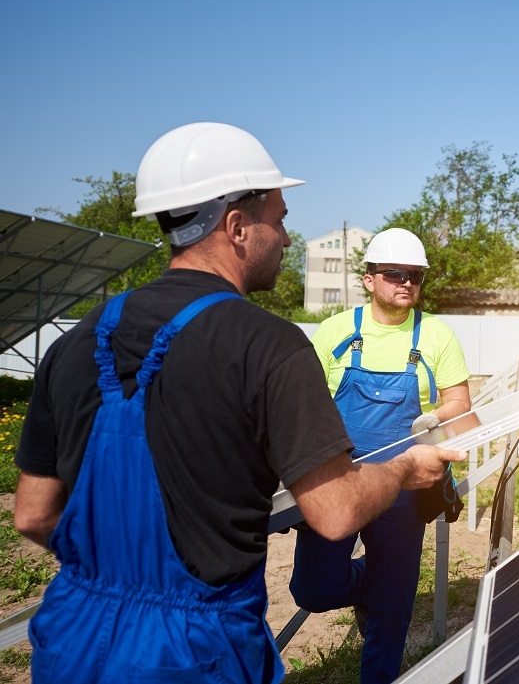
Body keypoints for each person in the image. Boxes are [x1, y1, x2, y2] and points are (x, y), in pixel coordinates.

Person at [12, 122, 464, 684]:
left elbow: (33, 513)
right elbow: (336, 509)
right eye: (278, 220)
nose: (286, 238)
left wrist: (119, 575)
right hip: (196, 649)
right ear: (236, 227)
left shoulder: (77, 342)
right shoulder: (268, 344)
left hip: (73, 634)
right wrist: (401, 468)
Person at [289, 227, 472, 684]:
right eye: (394, 273)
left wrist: (435, 419)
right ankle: (373, 581)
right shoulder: (334, 331)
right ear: (369, 279)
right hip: (338, 481)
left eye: (415, 275)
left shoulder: (436, 334)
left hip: (406, 485)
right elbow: (304, 406)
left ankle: (379, 673)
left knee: (393, 609)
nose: (406, 282)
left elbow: (460, 405)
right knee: (313, 588)